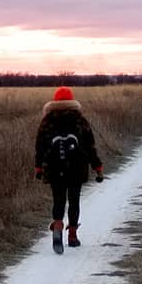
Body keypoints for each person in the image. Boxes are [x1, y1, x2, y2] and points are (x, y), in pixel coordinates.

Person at [34, 87, 103, 253]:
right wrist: (97, 167)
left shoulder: (47, 120)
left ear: (55, 101)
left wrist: (38, 167)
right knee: (74, 200)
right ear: (72, 101)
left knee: (58, 199)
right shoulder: (80, 120)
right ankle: (72, 235)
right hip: (77, 167)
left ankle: (57, 225)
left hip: (54, 167)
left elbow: (40, 146)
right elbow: (90, 146)